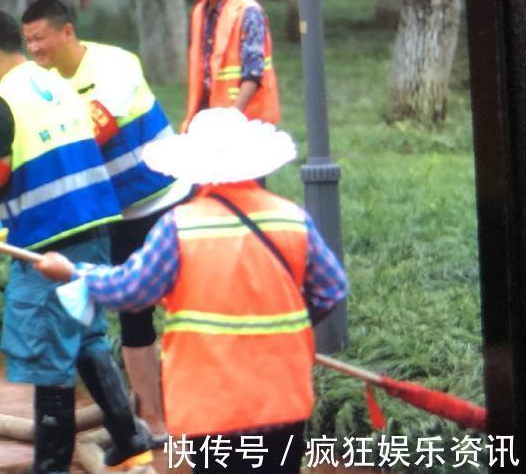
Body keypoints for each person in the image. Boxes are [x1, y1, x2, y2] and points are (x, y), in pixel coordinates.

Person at [34, 108, 348, 474]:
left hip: (212, 404)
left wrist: (74, 272)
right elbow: (331, 288)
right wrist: (290, 329)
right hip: (283, 397)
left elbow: (130, 290)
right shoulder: (292, 218)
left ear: (194, 172)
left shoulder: (180, 227)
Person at [0, 8, 162, 474]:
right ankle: (129, 437)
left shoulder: (0, 99)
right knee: (86, 334)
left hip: (49, 240)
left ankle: (51, 466)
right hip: (96, 225)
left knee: (48, 348)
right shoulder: (59, 84)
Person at [21, 0, 192, 438]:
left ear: (67, 32)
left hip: (164, 199)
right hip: (113, 213)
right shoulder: (38, 83)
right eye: (28, 41)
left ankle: (201, 408)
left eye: (40, 37)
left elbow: (94, 132)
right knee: (134, 313)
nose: (35, 48)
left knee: (190, 303)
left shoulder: (115, 65)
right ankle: (152, 420)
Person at [182, 0, 280, 132]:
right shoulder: (198, 12)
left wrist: (235, 116)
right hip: (208, 115)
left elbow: (254, 70)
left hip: (247, 118)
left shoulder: (248, 11)